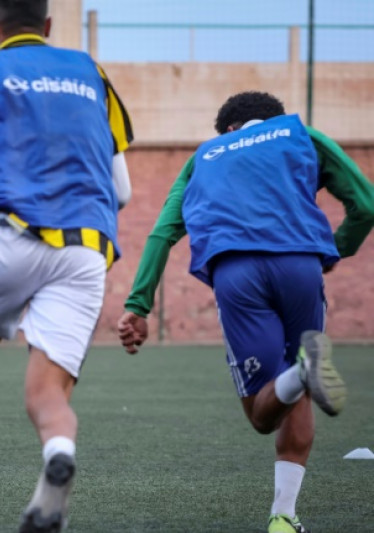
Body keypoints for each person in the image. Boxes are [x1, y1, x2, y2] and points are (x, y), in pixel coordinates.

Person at [117, 91, 374, 533]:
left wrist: (138, 305)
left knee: (261, 413)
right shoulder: (302, 134)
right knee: (299, 391)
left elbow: (162, 232)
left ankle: (301, 371)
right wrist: (333, 252)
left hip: (237, 273)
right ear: (272, 121)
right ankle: (283, 515)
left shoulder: (206, 155)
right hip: (300, 265)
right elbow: (366, 205)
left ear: (229, 130)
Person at [0, 0, 134, 530]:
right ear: (48, 26)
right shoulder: (93, 74)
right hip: (86, 246)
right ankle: (57, 452)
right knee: (49, 390)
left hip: (8, 234)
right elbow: (124, 191)